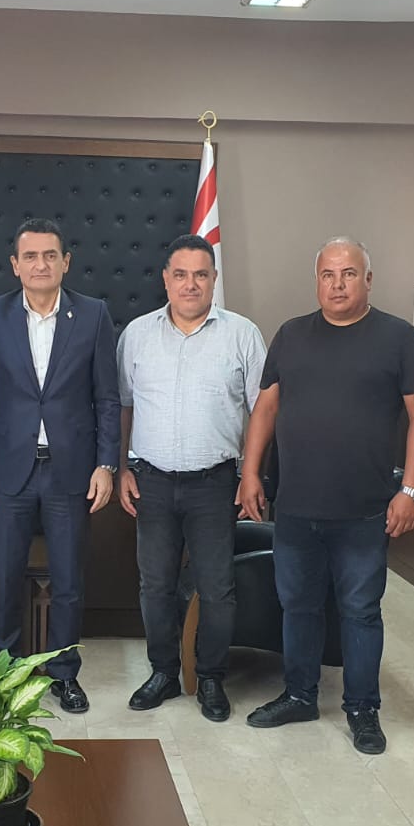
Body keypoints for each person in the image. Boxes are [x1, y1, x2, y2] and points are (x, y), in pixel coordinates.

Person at [237, 239, 414, 754]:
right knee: (298, 606)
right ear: (317, 281)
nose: (338, 284)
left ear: (368, 279)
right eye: (328, 275)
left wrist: (412, 490)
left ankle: (363, 709)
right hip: (296, 506)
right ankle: (299, 695)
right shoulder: (291, 335)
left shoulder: (397, 337)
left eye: (349, 274)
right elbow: (265, 409)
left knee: (360, 611)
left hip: (364, 509)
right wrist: (250, 472)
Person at [0, 218, 119, 714]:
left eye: (50, 255)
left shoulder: (93, 315)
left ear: (65, 262)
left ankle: (64, 675)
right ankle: (2, 676)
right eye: (30, 256)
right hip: (8, 471)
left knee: (68, 581)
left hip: (70, 470)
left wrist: (106, 464)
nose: (40, 264)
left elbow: (107, 398)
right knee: (5, 578)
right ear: (15, 265)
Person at [117, 234, 266, 722]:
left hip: (215, 483)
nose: (190, 284)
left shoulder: (242, 334)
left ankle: (210, 677)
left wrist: (251, 474)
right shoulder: (136, 334)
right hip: (152, 482)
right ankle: (163, 672)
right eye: (180, 274)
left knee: (217, 587)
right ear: (165, 279)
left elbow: (263, 411)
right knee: (155, 584)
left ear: (214, 279)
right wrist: (121, 466)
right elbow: (123, 407)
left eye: (201, 274)